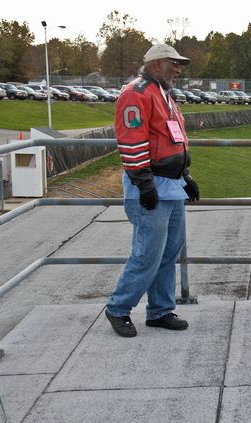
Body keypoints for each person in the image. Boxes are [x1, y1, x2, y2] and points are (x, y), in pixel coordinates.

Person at [105, 44, 200, 337]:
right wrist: (144, 184)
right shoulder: (137, 92)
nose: (179, 69)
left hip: (171, 187)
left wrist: (185, 176)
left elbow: (170, 140)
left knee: (169, 251)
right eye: (174, 63)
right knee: (148, 253)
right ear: (158, 64)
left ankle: (160, 310)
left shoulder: (163, 94)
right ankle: (118, 308)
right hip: (151, 188)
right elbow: (131, 142)